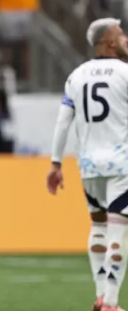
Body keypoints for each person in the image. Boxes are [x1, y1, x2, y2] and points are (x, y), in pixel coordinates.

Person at [47, 18, 128, 311]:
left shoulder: (77, 76)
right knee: (118, 233)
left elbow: (62, 122)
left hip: (90, 164)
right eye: (121, 35)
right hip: (121, 165)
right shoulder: (125, 73)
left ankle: (99, 295)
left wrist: (56, 163)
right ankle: (111, 302)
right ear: (109, 42)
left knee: (98, 226)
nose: (125, 39)